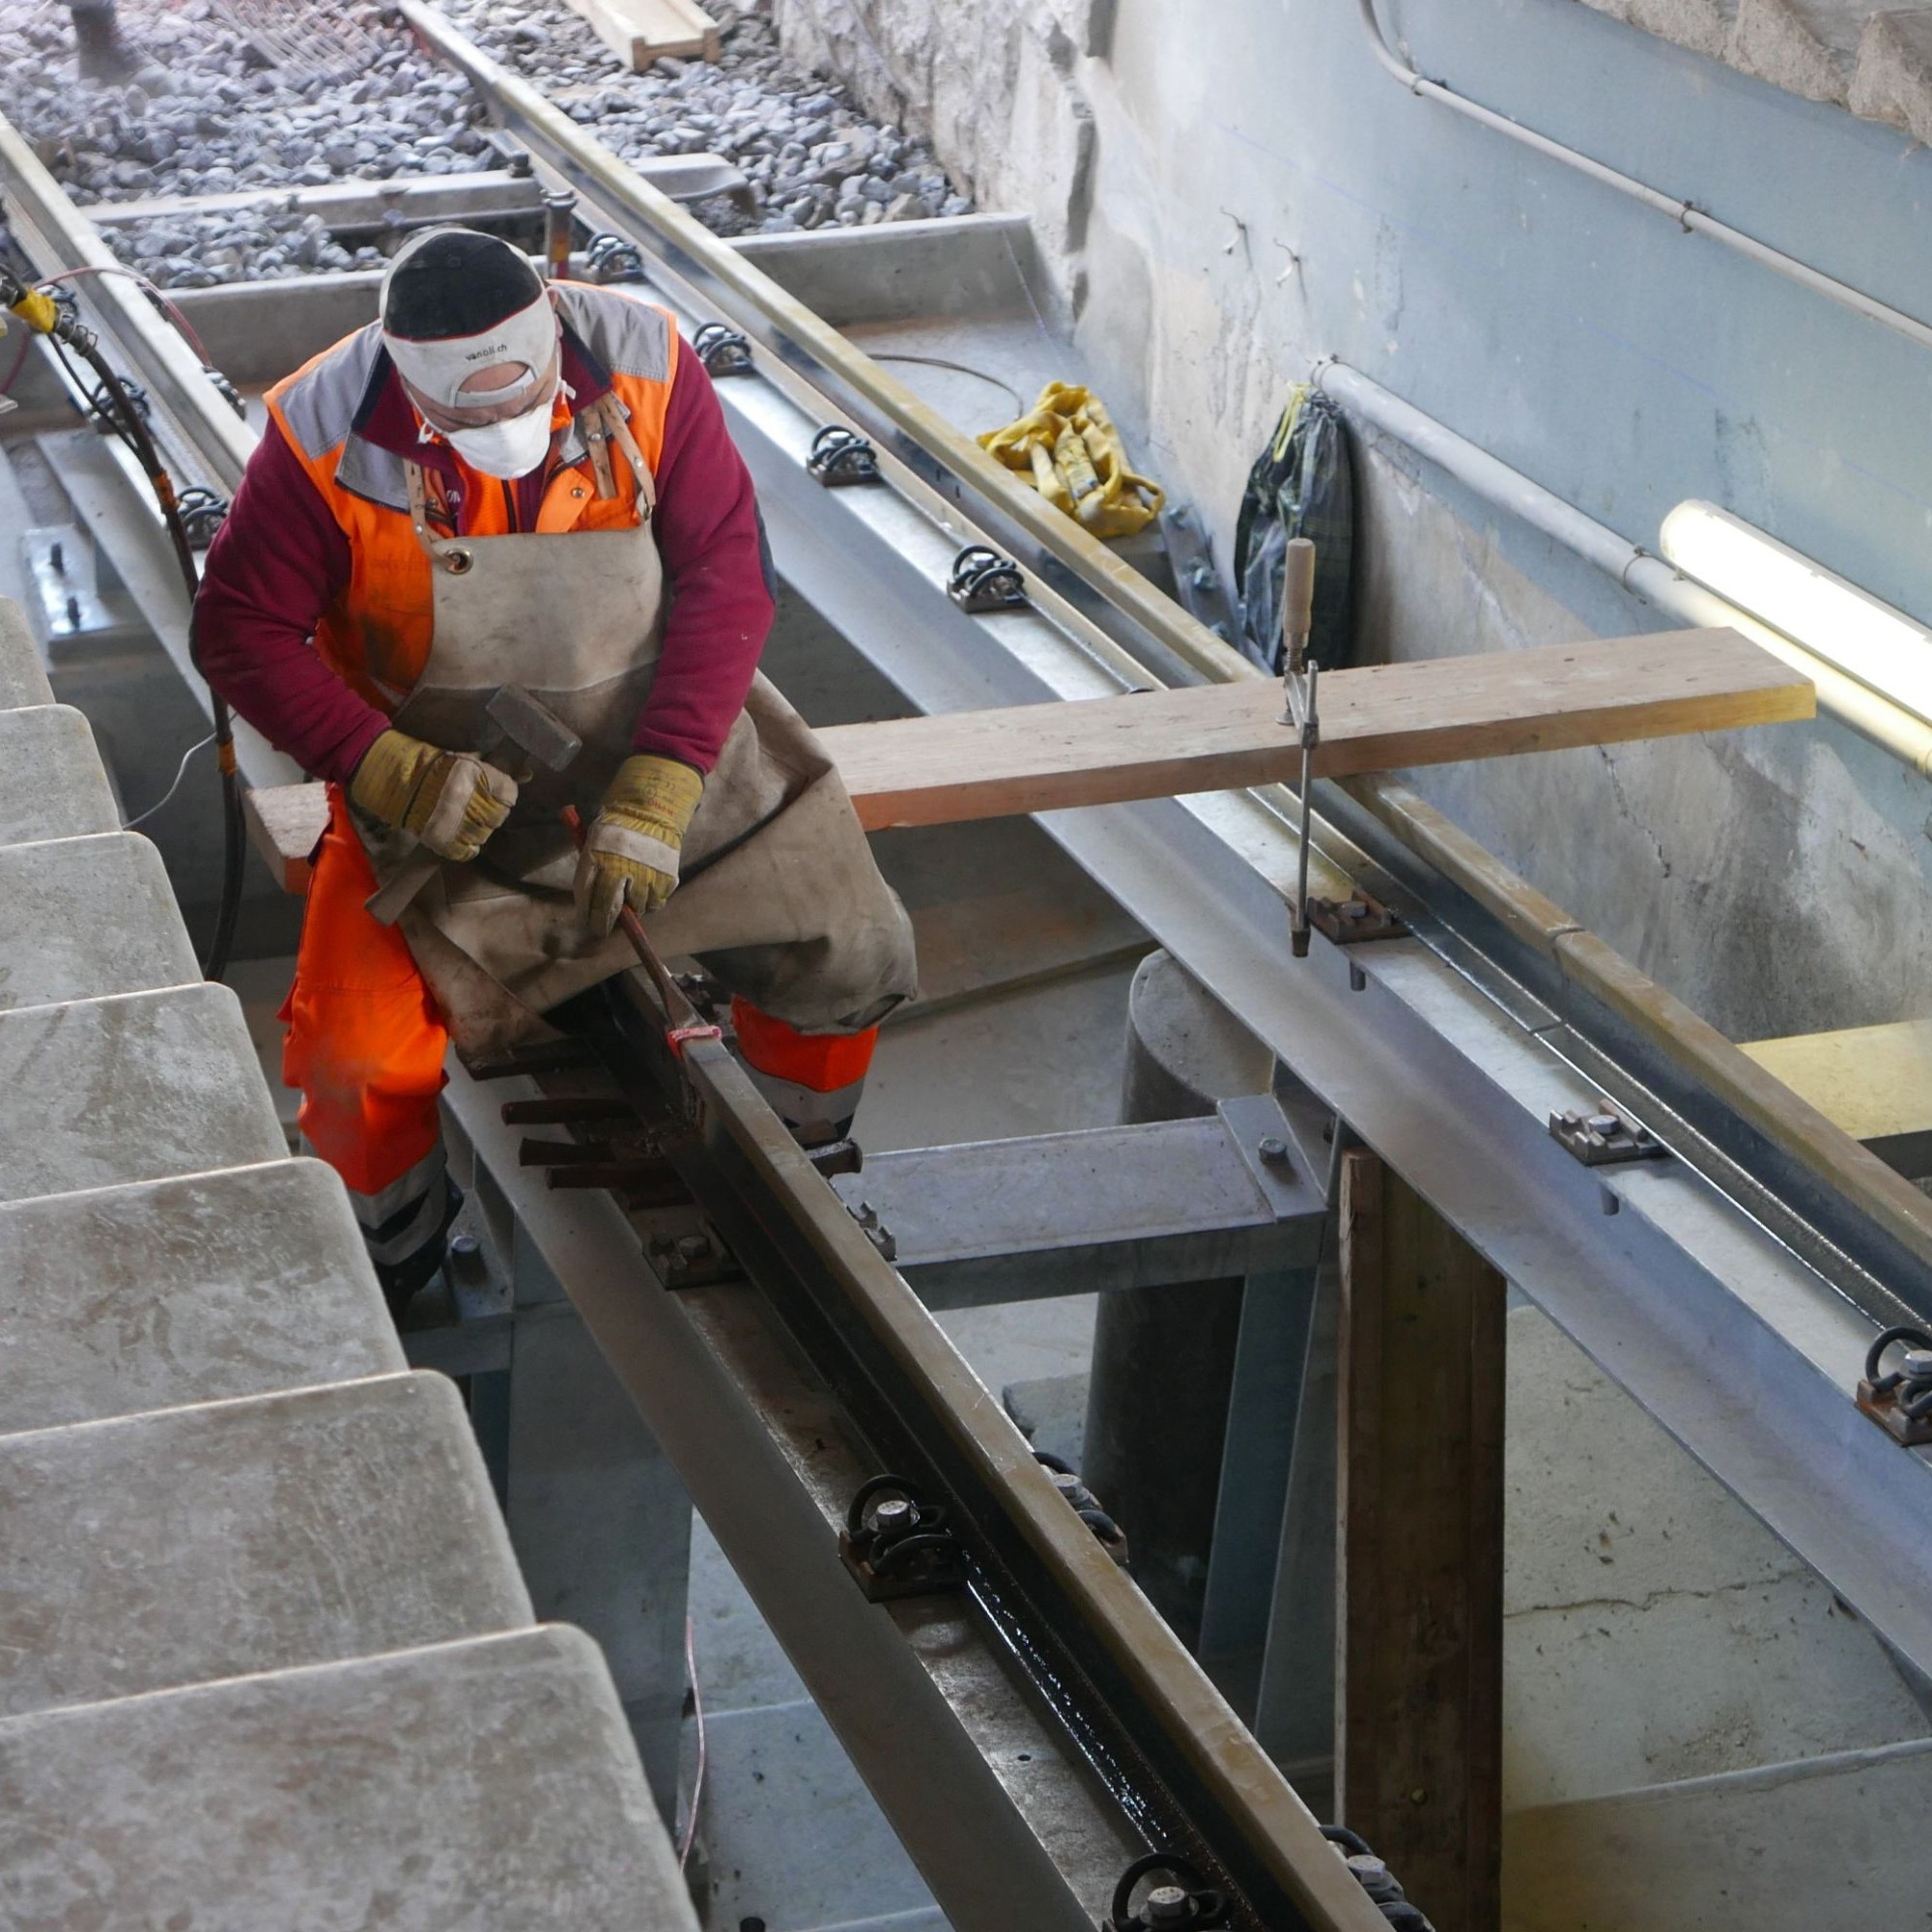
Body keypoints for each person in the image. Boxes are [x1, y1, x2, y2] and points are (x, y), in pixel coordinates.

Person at [194, 226, 917, 1313]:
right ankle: (394, 1273)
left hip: (664, 737)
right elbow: (241, 631)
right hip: (440, 792)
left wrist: (666, 777)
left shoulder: (643, 358)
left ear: (552, 343)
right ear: (407, 382)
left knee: (853, 946)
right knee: (356, 1058)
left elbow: (725, 570)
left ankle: (797, 1170)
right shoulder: (318, 430)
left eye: (515, 402)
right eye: (464, 417)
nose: (498, 431)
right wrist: (380, 765)